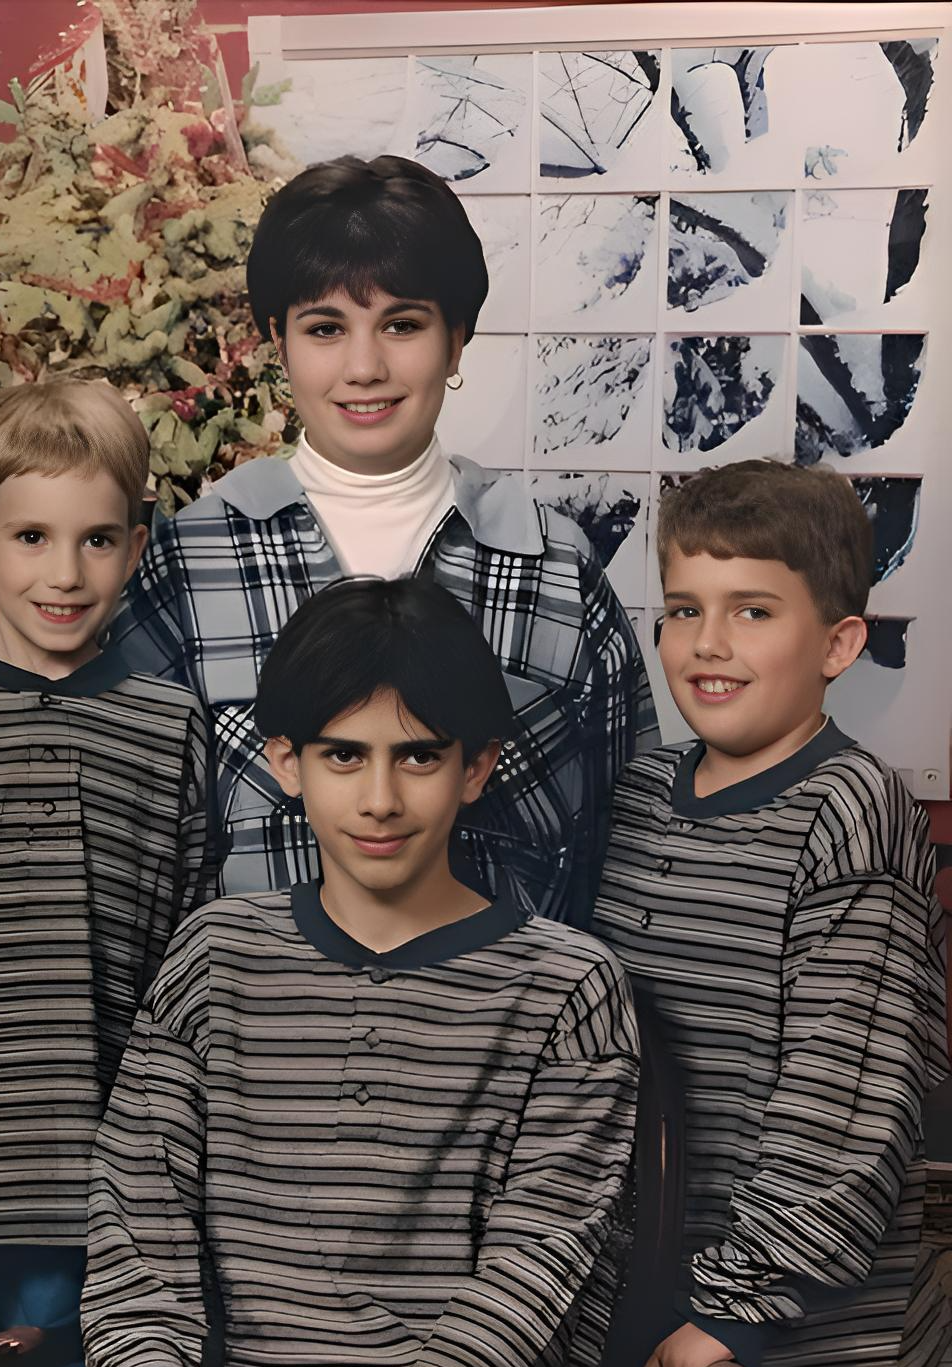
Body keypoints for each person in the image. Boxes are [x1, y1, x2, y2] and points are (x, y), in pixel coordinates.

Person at [82, 576, 640, 1367]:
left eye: (418, 756)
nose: (380, 801)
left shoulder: (569, 988)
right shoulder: (214, 959)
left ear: (477, 767)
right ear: (286, 762)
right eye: (344, 755)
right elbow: (139, 1237)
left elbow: (535, 1276)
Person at [113, 153, 656, 929]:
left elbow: (625, 855)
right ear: (278, 341)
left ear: (457, 340)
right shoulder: (186, 568)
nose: (364, 367)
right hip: (257, 1031)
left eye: (401, 325)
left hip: (497, 1033)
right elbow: (133, 853)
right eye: (325, 328)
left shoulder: (557, 576)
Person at [593, 460, 948, 1367]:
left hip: (784, 1338)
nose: (708, 643)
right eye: (682, 609)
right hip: (644, 1293)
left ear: (838, 645)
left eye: (753, 611)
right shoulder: (639, 795)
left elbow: (848, 1100)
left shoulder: (850, 811)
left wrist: (732, 1317)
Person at [0, 380, 218, 1367]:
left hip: (102, 1182)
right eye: (32, 538)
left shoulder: (167, 723)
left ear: (136, 549)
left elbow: (189, 949)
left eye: (97, 540)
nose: (66, 571)